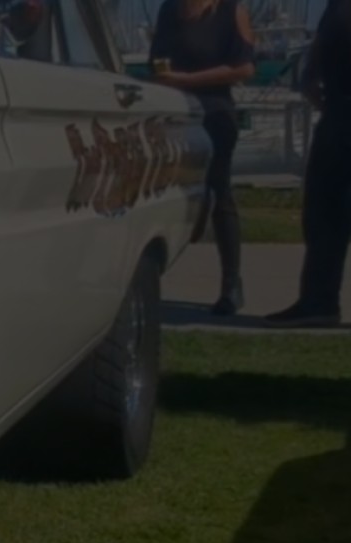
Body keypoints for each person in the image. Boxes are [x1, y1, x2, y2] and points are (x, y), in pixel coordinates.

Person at [149, 0, 256, 316]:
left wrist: (185, 80)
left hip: (213, 113)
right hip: (174, 113)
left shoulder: (230, 11)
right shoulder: (170, 10)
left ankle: (231, 284)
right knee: (161, 193)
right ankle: (148, 276)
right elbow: (156, 61)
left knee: (218, 192)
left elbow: (245, 68)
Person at [265, 0, 351, 328]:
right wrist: (311, 75)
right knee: (322, 211)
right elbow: (324, 39)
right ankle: (319, 301)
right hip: (338, 109)